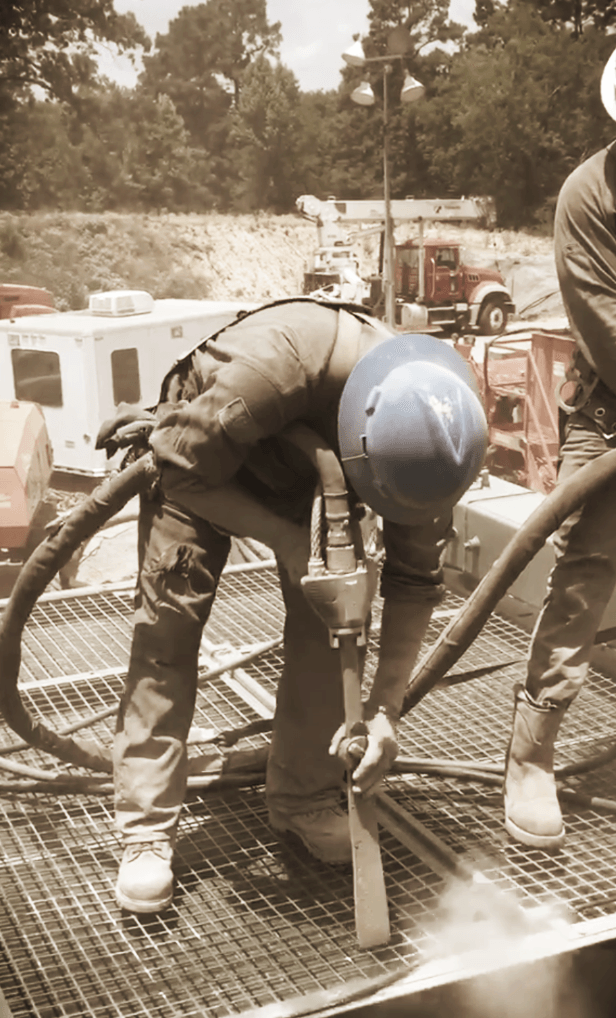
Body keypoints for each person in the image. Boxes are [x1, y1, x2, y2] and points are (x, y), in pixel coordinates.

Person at [96, 297, 488, 913]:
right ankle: (147, 827)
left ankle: (303, 796)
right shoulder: (277, 367)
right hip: (200, 464)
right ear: (360, 440)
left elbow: (413, 581)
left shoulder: (439, 432)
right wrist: (283, 539)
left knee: (333, 628)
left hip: (310, 482)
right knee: (169, 633)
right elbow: (180, 471)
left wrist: (385, 712)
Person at [503, 0, 616, 850]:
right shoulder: (589, 197)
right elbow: (612, 330)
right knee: (585, 574)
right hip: (615, 412)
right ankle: (530, 756)